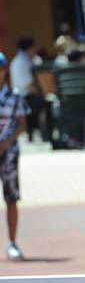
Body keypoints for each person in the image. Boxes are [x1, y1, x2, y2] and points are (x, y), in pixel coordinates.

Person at [0, 52, 30, 261]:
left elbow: (22, 124)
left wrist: (6, 142)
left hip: (8, 155)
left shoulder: (15, 97)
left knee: (11, 197)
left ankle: (12, 242)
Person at [10, 37, 49, 143]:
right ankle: (45, 136)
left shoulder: (23, 60)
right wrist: (43, 95)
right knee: (47, 104)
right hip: (25, 97)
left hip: (24, 96)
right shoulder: (22, 62)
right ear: (30, 48)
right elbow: (29, 86)